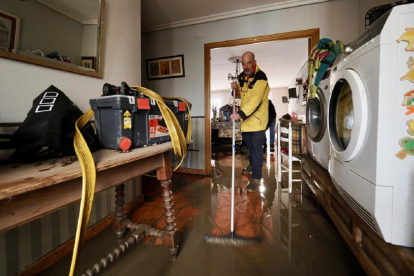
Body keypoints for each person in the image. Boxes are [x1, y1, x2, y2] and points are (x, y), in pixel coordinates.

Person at [230, 51, 270, 192]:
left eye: (249, 63)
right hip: (247, 122)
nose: (246, 66)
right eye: (244, 63)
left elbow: (255, 100)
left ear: (254, 62)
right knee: (250, 148)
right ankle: (252, 166)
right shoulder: (242, 77)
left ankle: (256, 179)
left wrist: (239, 114)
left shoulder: (261, 77)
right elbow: (242, 94)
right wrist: (235, 89)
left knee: (257, 150)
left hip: (258, 120)